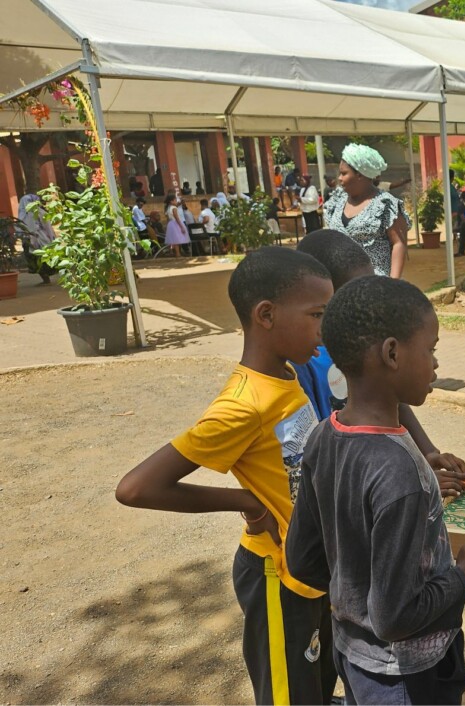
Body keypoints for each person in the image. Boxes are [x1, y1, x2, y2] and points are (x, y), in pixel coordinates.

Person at [116, 248, 338, 705]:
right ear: (266, 315)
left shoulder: (287, 373)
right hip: (276, 573)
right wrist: (246, 502)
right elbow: (137, 488)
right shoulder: (241, 404)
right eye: (317, 314)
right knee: (288, 695)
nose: (325, 328)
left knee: (316, 679)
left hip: (309, 561)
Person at [286, 275, 465, 705]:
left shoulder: (322, 437)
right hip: (406, 677)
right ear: (392, 353)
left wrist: (355, 599)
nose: (436, 365)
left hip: (352, 656)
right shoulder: (401, 472)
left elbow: (302, 561)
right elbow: (394, 618)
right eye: (431, 350)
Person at [292, 229, 465, 499]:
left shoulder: (365, 340)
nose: (370, 299)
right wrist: (414, 482)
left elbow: (391, 395)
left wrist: (428, 453)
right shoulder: (306, 360)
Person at [322, 143, 409, 279]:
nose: (339, 178)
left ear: (360, 175)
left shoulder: (385, 204)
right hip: (341, 285)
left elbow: (399, 244)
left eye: (344, 173)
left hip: (375, 283)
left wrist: (392, 283)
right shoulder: (337, 201)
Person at [16, 193, 55, 284]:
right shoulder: (41, 212)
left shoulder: (26, 214)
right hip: (43, 239)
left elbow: (22, 227)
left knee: (36, 259)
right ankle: (46, 278)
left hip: (34, 240)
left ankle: (46, 279)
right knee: (39, 259)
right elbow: (49, 227)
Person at [448, 169, 465, 257]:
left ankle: (459, 250)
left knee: (457, 230)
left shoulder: (451, 186)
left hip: (456, 211)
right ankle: (457, 250)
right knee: (455, 230)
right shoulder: (448, 188)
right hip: (453, 212)